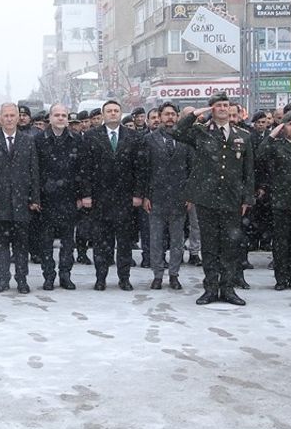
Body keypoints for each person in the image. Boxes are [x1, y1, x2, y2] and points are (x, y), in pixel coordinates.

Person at [173, 93, 254, 306]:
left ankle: (227, 288)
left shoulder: (242, 135)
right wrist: (196, 114)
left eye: (226, 105)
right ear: (211, 109)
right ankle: (210, 288)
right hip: (207, 197)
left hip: (232, 198)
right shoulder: (201, 133)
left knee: (229, 245)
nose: (223, 109)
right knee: (209, 246)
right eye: (218, 105)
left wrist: (247, 198)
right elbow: (177, 132)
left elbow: (248, 170)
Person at [79, 100, 142, 291]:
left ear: (121, 114)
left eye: (116, 110)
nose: (113, 113)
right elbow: (85, 168)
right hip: (100, 198)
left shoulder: (133, 136)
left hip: (125, 198)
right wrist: (86, 194)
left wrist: (138, 194)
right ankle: (101, 277)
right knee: (101, 241)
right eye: (109, 111)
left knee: (124, 241)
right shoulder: (91, 136)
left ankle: (124, 278)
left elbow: (140, 168)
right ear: (103, 115)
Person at [0, 103, 41, 294]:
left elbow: (34, 171)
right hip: (0, 201)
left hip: (22, 201)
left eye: (12, 115)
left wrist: (35, 199)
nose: (9, 118)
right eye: (5, 115)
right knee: (2, 244)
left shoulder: (27, 140)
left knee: (21, 244)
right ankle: (3, 279)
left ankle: (22, 279)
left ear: (17, 117)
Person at [137, 102, 191, 290]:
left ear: (177, 117)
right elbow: (144, 170)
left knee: (177, 240)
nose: (170, 118)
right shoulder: (149, 140)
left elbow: (191, 170)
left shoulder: (185, 139)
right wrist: (145, 195)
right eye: (166, 114)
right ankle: (158, 274)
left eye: (173, 114)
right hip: (156, 197)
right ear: (159, 117)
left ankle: (174, 274)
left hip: (179, 197)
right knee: (156, 239)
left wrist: (190, 195)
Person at [255, 111, 291, 291]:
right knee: (281, 242)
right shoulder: (277, 146)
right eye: (289, 124)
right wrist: (272, 134)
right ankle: (281, 277)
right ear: (283, 127)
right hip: (281, 201)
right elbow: (260, 154)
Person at [36, 103, 83, 291]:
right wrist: (36, 197)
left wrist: (81, 195)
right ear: (50, 117)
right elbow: (34, 171)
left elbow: (82, 169)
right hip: (46, 198)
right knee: (46, 241)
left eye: (64, 115)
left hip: (69, 197)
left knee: (67, 241)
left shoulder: (76, 140)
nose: (61, 118)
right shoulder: (39, 140)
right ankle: (48, 276)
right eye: (57, 115)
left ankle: (65, 274)